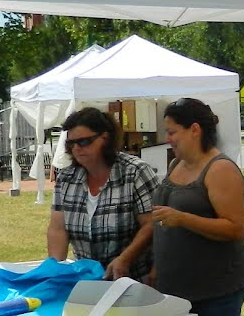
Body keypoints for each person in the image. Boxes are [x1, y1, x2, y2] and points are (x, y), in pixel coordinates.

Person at [148, 98, 244, 316]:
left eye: (172, 132)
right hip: (175, 290)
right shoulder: (176, 164)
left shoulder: (220, 169)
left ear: (194, 130)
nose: (168, 139)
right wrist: (157, 269)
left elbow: (235, 229)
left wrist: (183, 219)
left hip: (215, 293)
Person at [47, 107, 160, 280]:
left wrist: (125, 259)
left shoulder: (135, 172)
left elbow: (151, 225)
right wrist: (55, 271)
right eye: (71, 143)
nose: (76, 148)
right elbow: (58, 229)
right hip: (88, 281)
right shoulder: (66, 178)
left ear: (105, 138)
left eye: (84, 141)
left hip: (133, 281)